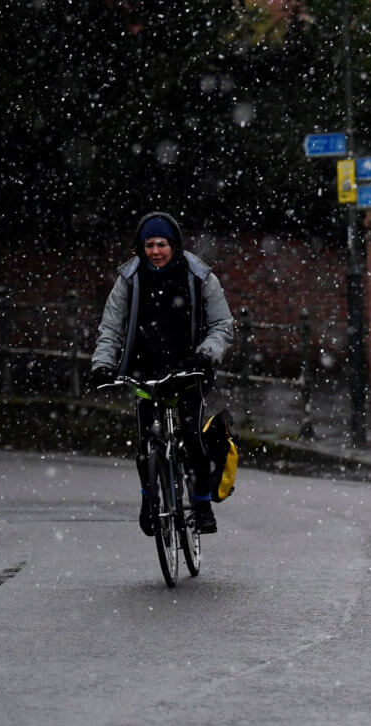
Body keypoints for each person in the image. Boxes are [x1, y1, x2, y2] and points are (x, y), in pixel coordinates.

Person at [90, 212, 234, 535]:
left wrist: (205, 354)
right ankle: (148, 500)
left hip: (188, 370)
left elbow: (221, 325)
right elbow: (111, 328)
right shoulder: (129, 279)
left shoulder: (199, 276)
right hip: (144, 372)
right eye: (149, 245)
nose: (155, 251)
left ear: (175, 245)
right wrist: (102, 364)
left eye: (162, 244)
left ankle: (201, 502)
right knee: (145, 446)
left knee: (192, 434)